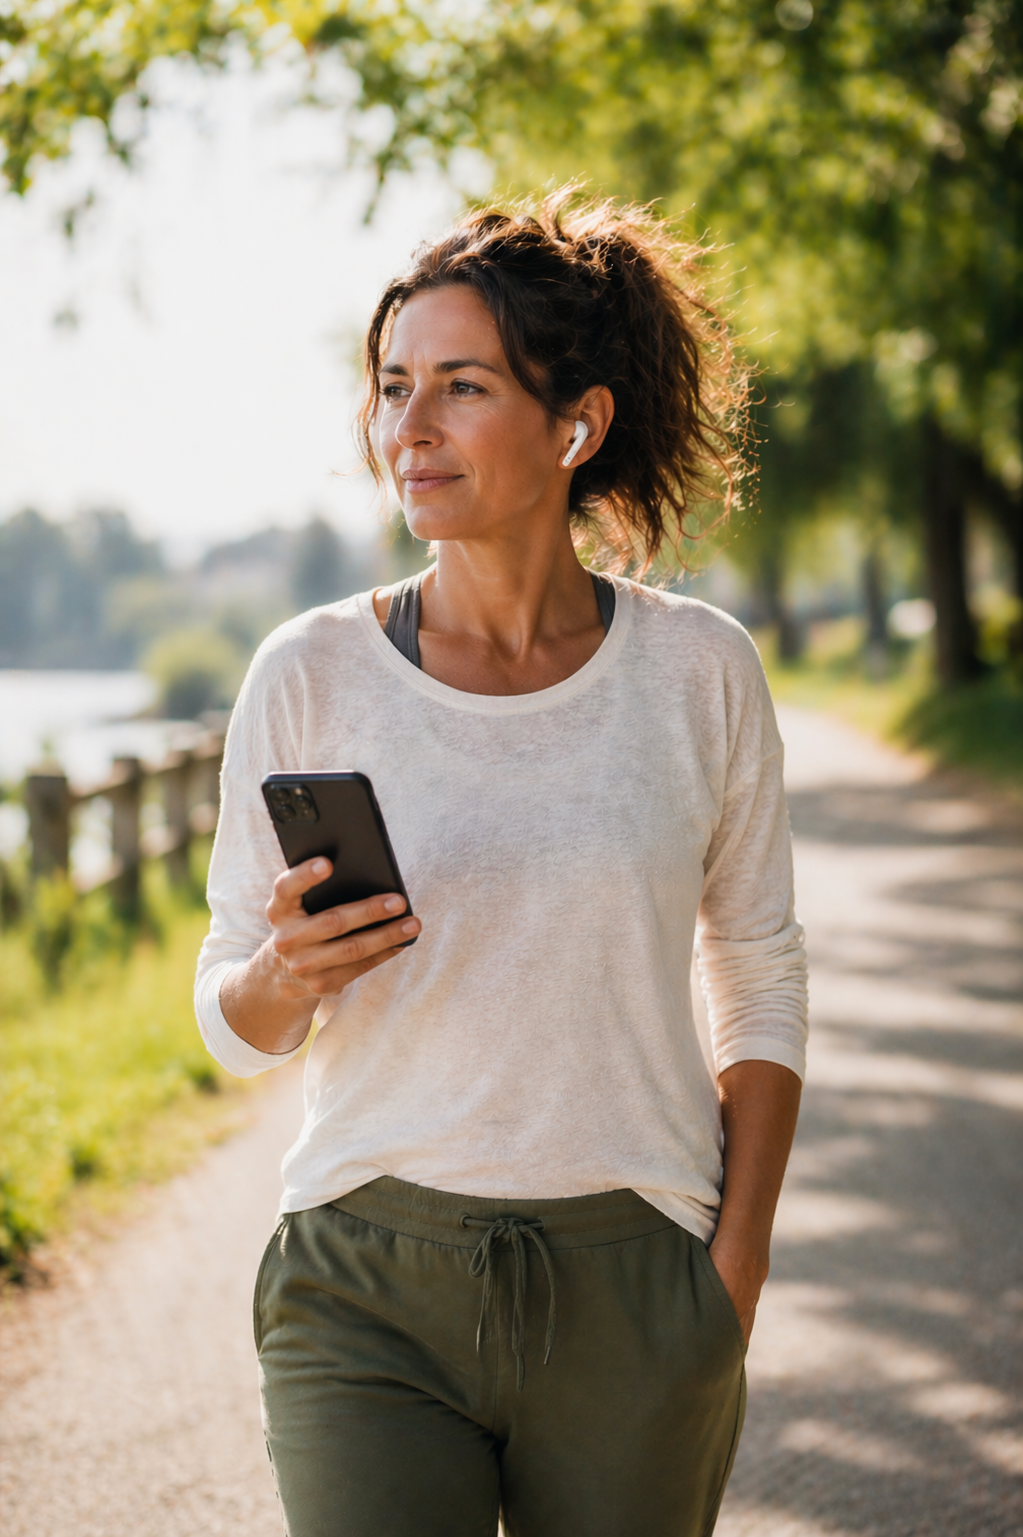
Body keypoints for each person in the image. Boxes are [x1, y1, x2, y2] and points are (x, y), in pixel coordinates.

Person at [195, 189, 808, 1537]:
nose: (407, 428)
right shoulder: (307, 672)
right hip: (363, 1283)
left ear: (574, 424)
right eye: (392, 387)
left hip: (635, 1280)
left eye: (460, 387)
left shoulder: (700, 672)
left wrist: (734, 1269)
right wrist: (285, 975)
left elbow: (758, 971)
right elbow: (231, 1027)